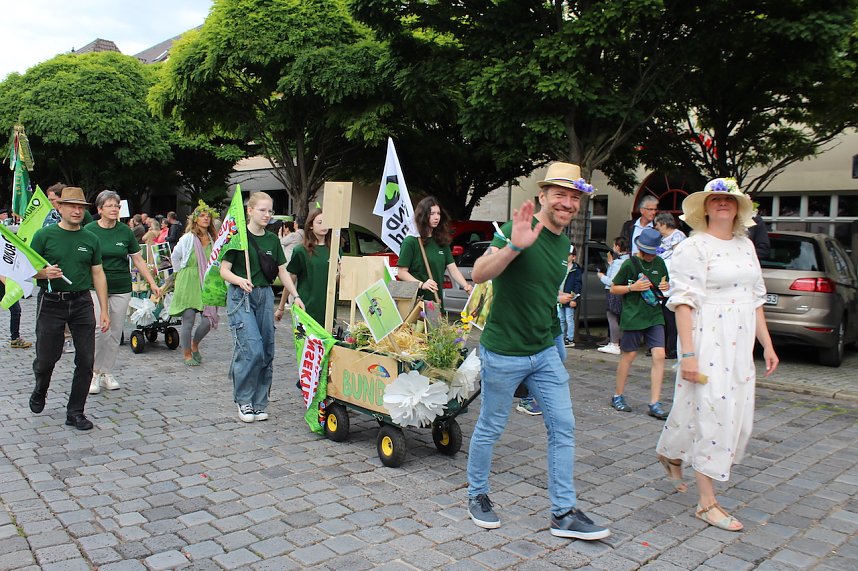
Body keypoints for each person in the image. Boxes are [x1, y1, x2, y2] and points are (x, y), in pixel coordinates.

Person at [466, 162, 610, 540]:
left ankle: (563, 513)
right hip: (504, 351)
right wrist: (514, 246)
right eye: (559, 194)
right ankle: (477, 494)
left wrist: (557, 346)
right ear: (542, 196)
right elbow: (479, 274)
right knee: (491, 427)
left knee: (563, 426)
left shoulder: (564, 243)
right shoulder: (522, 230)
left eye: (573, 197)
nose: (567, 202)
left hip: (545, 351)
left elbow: (544, 295)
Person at [656, 177, 778, 532]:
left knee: (731, 413)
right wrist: (689, 353)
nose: (723, 203)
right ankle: (706, 502)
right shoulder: (693, 248)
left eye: (729, 199)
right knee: (713, 415)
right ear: (706, 207)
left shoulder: (745, 245)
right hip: (707, 338)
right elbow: (682, 303)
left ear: (738, 208)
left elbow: (755, 298)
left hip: (740, 344)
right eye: (716, 199)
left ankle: (671, 451)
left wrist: (767, 344)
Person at [28, 187, 110, 431]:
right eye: (71, 206)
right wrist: (44, 273)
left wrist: (103, 309)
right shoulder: (44, 236)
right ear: (59, 208)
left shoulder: (90, 239)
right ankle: (40, 389)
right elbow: (28, 270)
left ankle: (75, 412)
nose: (76, 211)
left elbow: (98, 273)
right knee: (46, 359)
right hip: (51, 302)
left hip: (82, 301)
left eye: (80, 207)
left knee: (85, 360)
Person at [221, 193, 304, 422]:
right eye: (262, 210)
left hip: (265, 296)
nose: (267, 215)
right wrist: (239, 280)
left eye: (270, 211)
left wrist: (295, 296)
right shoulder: (237, 237)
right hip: (241, 296)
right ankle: (244, 400)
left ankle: (259, 402)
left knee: (267, 351)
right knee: (252, 349)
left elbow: (282, 271)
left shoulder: (272, 239)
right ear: (250, 211)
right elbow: (224, 270)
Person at [85, 190, 161, 394]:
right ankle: (93, 372)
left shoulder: (125, 231)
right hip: (94, 286)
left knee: (115, 331)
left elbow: (138, 259)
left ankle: (107, 371)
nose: (114, 209)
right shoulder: (89, 230)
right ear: (100, 209)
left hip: (120, 286)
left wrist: (152, 282)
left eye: (117, 206)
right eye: (109, 206)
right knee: (100, 329)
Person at [609, 227, 671, 420]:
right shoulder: (629, 264)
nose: (652, 256)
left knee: (659, 355)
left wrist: (665, 286)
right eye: (649, 253)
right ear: (642, 249)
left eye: (654, 252)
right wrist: (632, 287)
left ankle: (654, 402)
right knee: (629, 356)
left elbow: (665, 283)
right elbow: (613, 289)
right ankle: (617, 395)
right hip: (634, 315)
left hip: (654, 314)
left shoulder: (660, 262)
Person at [397, 196, 472, 310]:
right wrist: (422, 284)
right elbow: (402, 273)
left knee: (436, 327)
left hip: (436, 300)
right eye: (432, 214)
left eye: (438, 213)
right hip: (415, 302)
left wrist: (466, 286)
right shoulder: (411, 241)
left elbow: (453, 268)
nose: (436, 217)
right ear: (423, 216)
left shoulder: (441, 241)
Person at [169, 202, 219, 366]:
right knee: (188, 320)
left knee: (207, 321)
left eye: (208, 216)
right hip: (189, 280)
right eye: (202, 215)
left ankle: (194, 344)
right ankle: (187, 354)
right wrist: (179, 274)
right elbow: (175, 256)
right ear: (195, 219)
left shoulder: (213, 239)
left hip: (207, 282)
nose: (206, 218)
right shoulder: (188, 238)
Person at [287, 209, 335, 325]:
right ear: (311, 225)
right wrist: (282, 306)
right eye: (319, 222)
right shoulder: (300, 250)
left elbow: (337, 280)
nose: (324, 225)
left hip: (327, 308)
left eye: (326, 222)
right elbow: (290, 278)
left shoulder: (335, 249)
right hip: (306, 305)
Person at [654, 213, 687, 359]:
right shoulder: (662, 239)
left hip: (673, 281)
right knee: (663, 317)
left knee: (671, 318)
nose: (656, 227)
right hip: (662, 280)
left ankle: (672, 348)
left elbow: (679, 260)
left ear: (663, 223)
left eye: (657, 224)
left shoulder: (678, 237)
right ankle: (665, 346)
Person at [596, 237, 629, 355]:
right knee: (618, 316)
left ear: (618, 247)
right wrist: (610, 264)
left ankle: (614, 343)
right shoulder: (626, 260)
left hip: (614, 291)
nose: (613, 247)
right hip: (622, 291)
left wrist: (601, 277)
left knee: (612, 315)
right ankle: (618, 342)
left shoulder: (619, 262)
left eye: (614, 245)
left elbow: (612, 281)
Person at [558, 245, 582, 347]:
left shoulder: (576, 269)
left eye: (569, 255)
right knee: (561, 318)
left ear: (574, 257)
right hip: (560, 296)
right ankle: (561, 337)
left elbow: (578, 284)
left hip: (570, 297)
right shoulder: (561, 266)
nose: (566, 256)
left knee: (569, 319)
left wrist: (574, 298)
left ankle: (570, 339)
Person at [0, 276, 32, 348]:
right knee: (16, 310)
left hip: (7, 286)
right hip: (5, 286)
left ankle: (15, 339)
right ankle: (15, 338)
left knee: (16, 310)